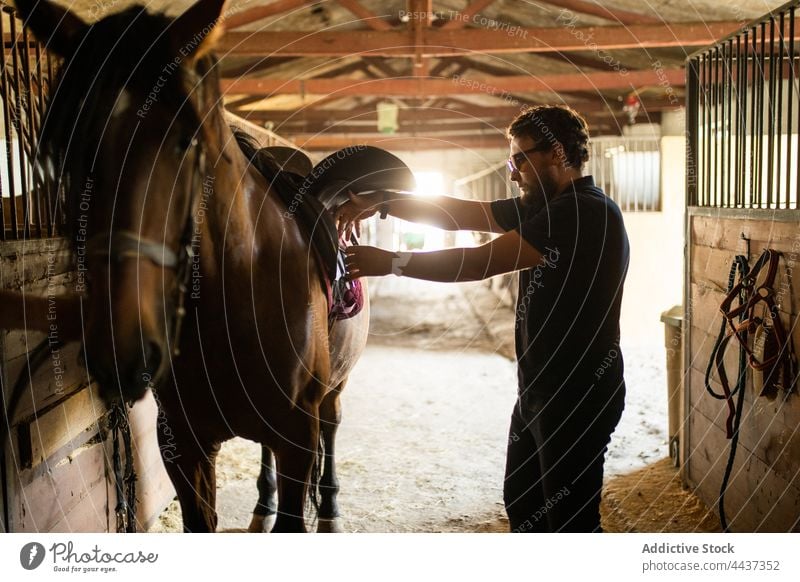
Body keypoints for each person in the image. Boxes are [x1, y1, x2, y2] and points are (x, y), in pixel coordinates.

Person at [336, 105, 629, 533]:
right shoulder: (551, 205)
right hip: (540, 389)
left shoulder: (582, 213)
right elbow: (464, 214)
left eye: (519, 160)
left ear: (557, 154)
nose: (513, 173)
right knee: (525, 508)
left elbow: (479, 263)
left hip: (576, 393)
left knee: (571, 526)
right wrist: (386, 202)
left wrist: (391, 261)